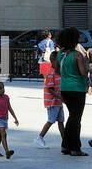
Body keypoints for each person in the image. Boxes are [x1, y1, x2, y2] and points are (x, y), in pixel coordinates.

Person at [51, 27, 89, 157]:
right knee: (76, 119)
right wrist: (86, 63)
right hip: (77, 89)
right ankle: (75, 148)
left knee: (72, 117)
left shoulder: (60, 55)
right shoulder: (77, 55)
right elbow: (83, 73)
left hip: (65, 88)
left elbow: (57, 71)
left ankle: (66, 145)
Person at [36, 53, 65, 147]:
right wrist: (61, 97)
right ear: (53, 61)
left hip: (58, 101)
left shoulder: (58, 72)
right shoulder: (50, 73)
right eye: (58, 60)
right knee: (51, 120)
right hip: (52, 102)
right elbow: (50, 89)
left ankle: (65, 141)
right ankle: (40, 137)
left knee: (61, 121)